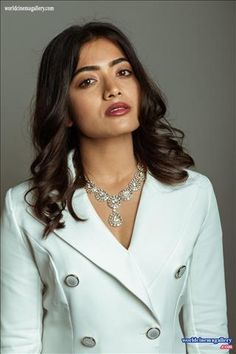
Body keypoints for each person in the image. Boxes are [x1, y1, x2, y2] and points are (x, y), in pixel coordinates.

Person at [1, 21, 229, 354]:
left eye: (123, 73)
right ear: (64, 110)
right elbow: (17, 342)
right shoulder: (25, 207)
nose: (113, 89)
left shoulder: (194, 194)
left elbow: (208, 331)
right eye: (88, 81)